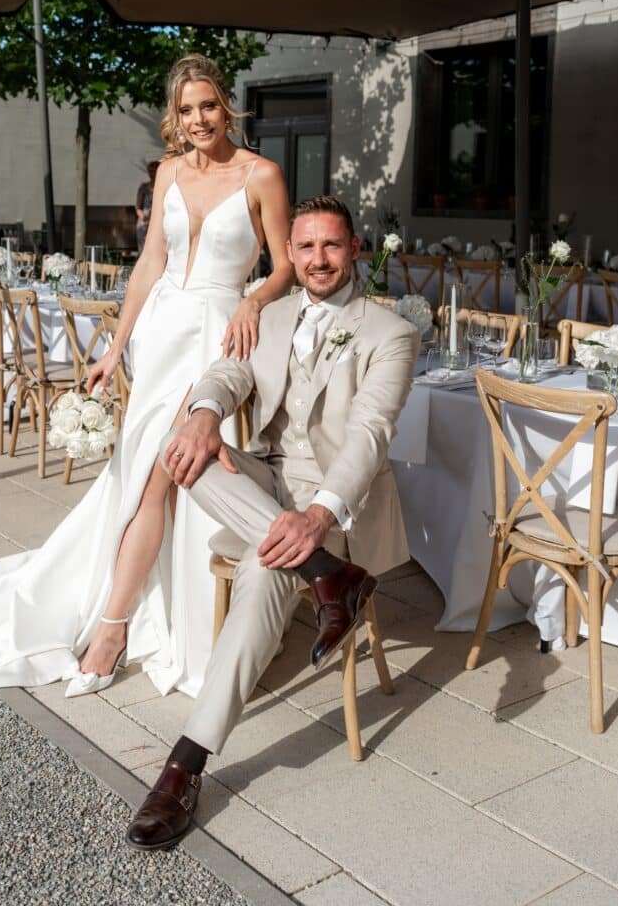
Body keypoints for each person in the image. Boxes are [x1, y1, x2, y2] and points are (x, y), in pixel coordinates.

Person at [0, 54, 293, 713]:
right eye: (186, 110)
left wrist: (253, 301)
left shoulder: (262, 174)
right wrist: (114, 346)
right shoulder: (170, 171)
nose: (199, 119)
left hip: (217, 337)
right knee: (151, 471)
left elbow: (286, 264)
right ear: (173, 119)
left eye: (208, 105)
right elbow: (150, 263)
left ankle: (115, 628)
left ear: (225, 105)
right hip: (162, 337)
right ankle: (132, 615)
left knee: (165, 472)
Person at [124, 196, 418, 852]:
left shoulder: (388, 333)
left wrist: (317, 517)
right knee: (184, 453)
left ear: (355, 251)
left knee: (264, 568)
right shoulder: (271, 312)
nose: (317, 259)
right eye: (306, 247)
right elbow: (229, 371)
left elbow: (371, 432)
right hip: (272, 480)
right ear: (291, 254)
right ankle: (328, 578)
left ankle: (183, 768)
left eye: (332, 246)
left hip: (341, 506)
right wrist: (204, 410)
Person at [135, 160, 160, 254]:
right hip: (144, 222)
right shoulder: (143, 187)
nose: (152, 173)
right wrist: (144, 219)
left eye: (154, 171)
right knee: (143, 250)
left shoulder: (164, 186)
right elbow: (138, 207)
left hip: (159, 221)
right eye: (150, 171)